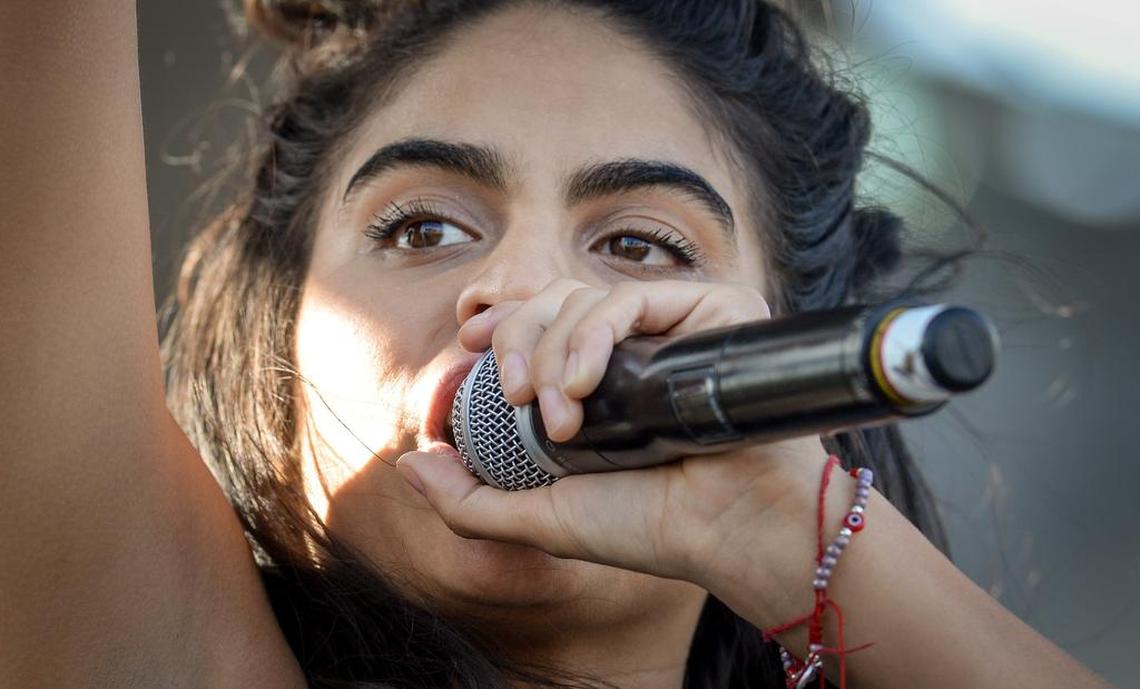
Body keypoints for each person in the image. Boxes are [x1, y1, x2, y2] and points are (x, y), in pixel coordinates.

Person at [0, 0, 1115, 687]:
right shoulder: (133, 639)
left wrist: (793, 532)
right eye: (423, 227)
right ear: (275, 350)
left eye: (639, 244)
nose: (525, 295)